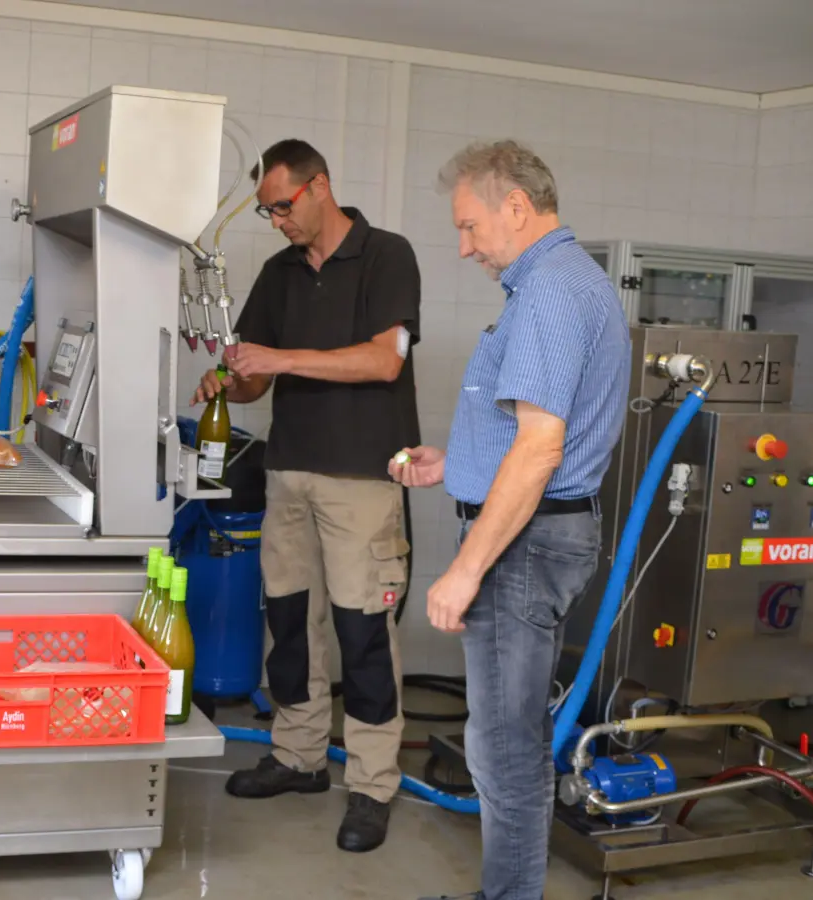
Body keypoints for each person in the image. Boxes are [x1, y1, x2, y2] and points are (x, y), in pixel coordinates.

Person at [393, 140, 629, 900]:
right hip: (535, 535)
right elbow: (523, 440)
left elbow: (539, 451)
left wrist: (465, 571)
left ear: (516, 208)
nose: (464, 247)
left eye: (469, 227)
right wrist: (454, 463)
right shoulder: (554, 286)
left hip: (525, 548)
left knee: (504, 748)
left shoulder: (554, 292)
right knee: (501, 739)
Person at [194, 138, 421, 853]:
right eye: (266, 212)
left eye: (282, 207)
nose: (277, 221)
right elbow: (257, 378)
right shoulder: (278, 273)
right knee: (289, 623)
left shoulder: (386, 255)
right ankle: (297, 757)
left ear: (320, 187)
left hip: (362, 479)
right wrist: (232, 381)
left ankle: (373, 784)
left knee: (363, 635)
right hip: (288, 472)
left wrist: (281, 359)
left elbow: (386, 359)